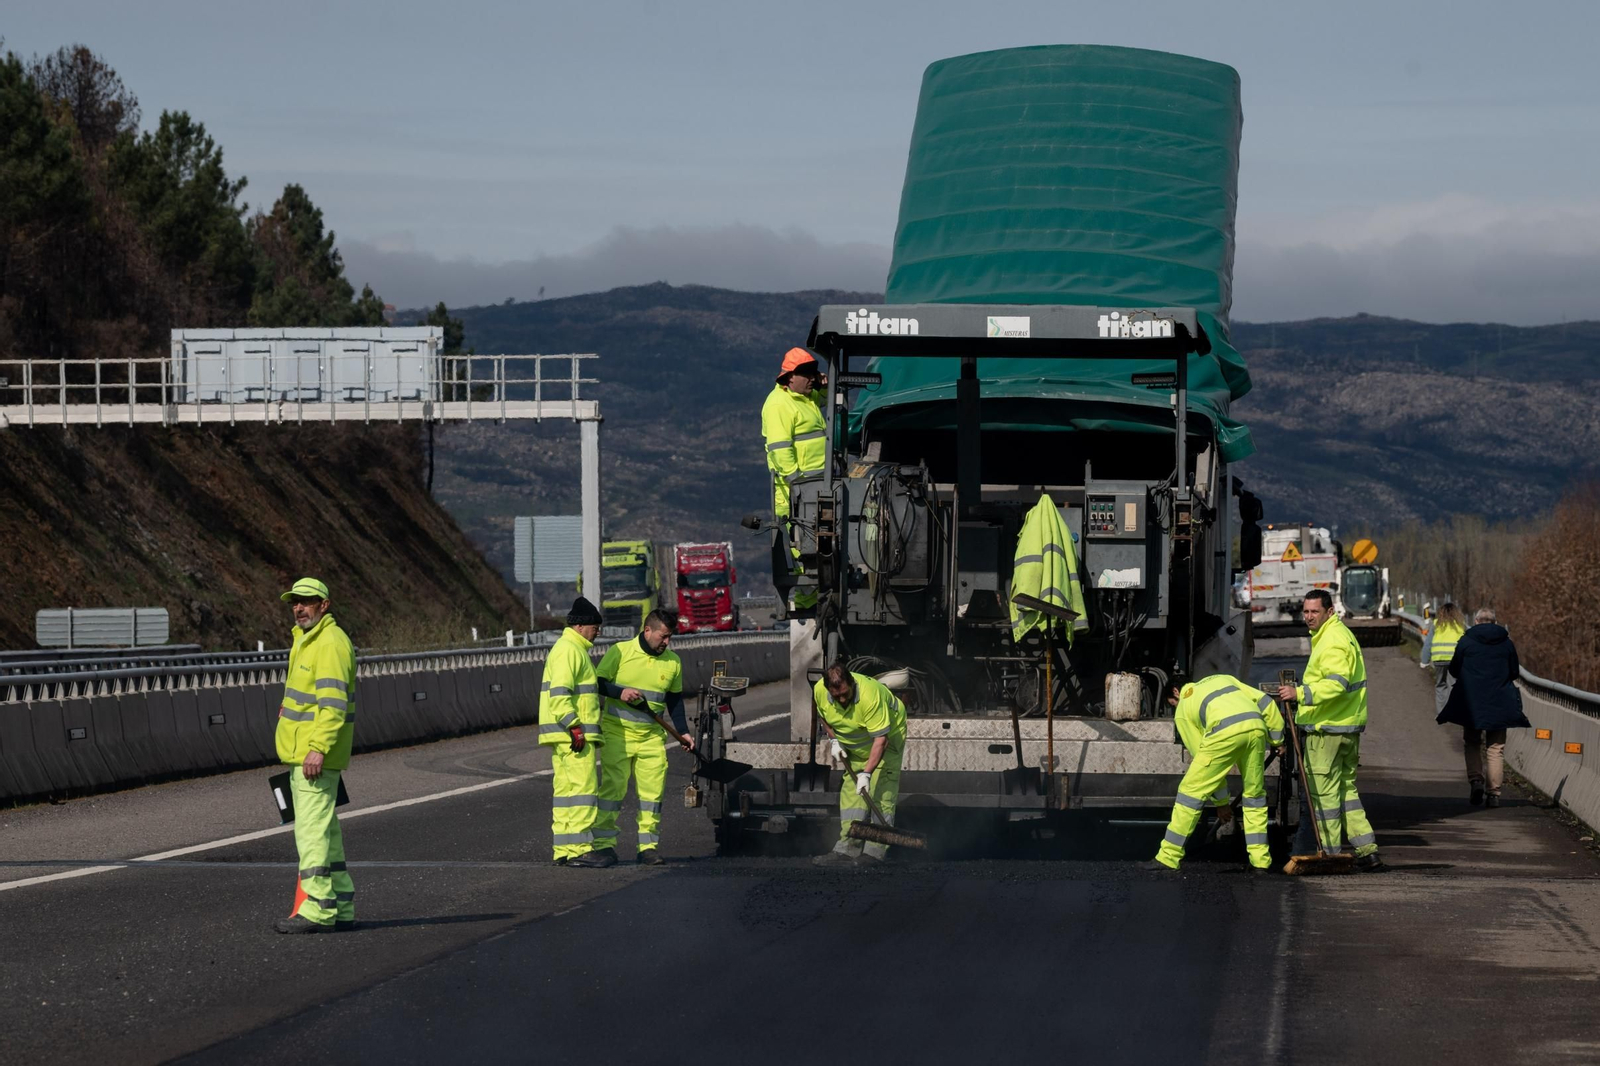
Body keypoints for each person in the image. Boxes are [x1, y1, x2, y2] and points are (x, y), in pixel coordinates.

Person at [1277, 589, 1386, 873]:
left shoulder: (1333, 640)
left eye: (1315, 611)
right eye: (1306, 611)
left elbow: (1337, 684)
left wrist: (1300, 693)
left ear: (1329, 611)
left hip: (1327, 731)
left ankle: (1330, 854)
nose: (1309, 616)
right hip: (1345, 728)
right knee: (1346, 792)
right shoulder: (1337, 635)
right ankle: (1367, 851)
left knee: (1323, 797)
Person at [273, 577, 358, 934]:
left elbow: (332, 705)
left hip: (313, 758)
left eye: (307, 601)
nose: (299, 607)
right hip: (303, 755)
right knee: (327, 835)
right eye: (295, 601)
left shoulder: (329, 643)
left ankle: (318, 910)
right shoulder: (306, 640)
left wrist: (317, 749)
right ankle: (340, 907)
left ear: (324, 605)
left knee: (311, 835)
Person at [1149, 675, 1285, 873]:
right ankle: (1260, 862)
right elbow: (1267, 702)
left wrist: (1221, 803)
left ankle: (1168, 857)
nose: (1176, 706)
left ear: (1176, 692)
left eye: (1173, 703)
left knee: (1190, 792)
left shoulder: (1184, 708)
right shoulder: (1223, 679)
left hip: (1225, 732)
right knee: (1254, 796)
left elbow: (1203, 760)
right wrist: (1277, 740)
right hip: (1256, 728)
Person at [594, 609, 694, 864]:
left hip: (652, 738)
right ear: (647, 630)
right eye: (663, 636)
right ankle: (603, 845)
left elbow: (674, 701)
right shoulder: (620, 652)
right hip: (618, 734)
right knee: (613, 791)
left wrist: (683, 732)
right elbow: (597, 682)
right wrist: (620, 693)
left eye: (670, 637)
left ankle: (647, 847)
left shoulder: (673, 662)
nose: (667, 642)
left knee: (652, 795)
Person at [810, 662, 907, 866]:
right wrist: (834, 740)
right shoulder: (820, 690)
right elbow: (823, 715)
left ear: (852, 682)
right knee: (852, 795)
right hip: (857, 742)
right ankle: (847, 848)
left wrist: (867, 773)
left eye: (845, 694)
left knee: (881, 792)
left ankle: (875, 851)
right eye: (836, 696)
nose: (842, 700)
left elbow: (881, 741)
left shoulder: (870, 696)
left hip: (887, 740)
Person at [540, 597, 610, 867]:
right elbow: (560, 694)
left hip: (563, 735)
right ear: (580, 626)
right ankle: (580, 849)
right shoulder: (571, 650)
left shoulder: (568, 648)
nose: (597, 631)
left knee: (566, 793)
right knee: (583, 791)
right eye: (594, 626)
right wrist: (575, 726)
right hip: (574, 736)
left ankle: (564, 849)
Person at [1437, 607, 1530, 807]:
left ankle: (1476, 781)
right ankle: (1494, 794)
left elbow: (1454, 669)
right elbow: (1514, 672)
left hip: (1472, 703)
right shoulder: (1507, 644)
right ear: (1495, 622)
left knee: (1472, 743)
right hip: (1499, 702)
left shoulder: (1466, 641)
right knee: (1495, 749)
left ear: (1476, 621)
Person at [761, 347, 827, 615]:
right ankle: (807, 607)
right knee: (805, 554)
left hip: (817, 489)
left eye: (814, 373)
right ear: (790, 378)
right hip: (797, 495)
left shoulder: (805, 398)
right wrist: (797, 484)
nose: (812, 378)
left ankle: (816, 602)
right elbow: (780, 450)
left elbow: (823, 400)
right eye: (806, 374)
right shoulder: (779, 405)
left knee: (819, 550)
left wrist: (824, 385)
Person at [1422, 601, 1467, 715]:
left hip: (1439, 659)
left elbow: (1428, 644)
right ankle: (1454, 711)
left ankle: (1441, 712)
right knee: (1453, 684)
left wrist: (1424, 661)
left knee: (1440, 685)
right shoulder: (1461, 625)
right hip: (1455, 659)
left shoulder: (1436, 624)